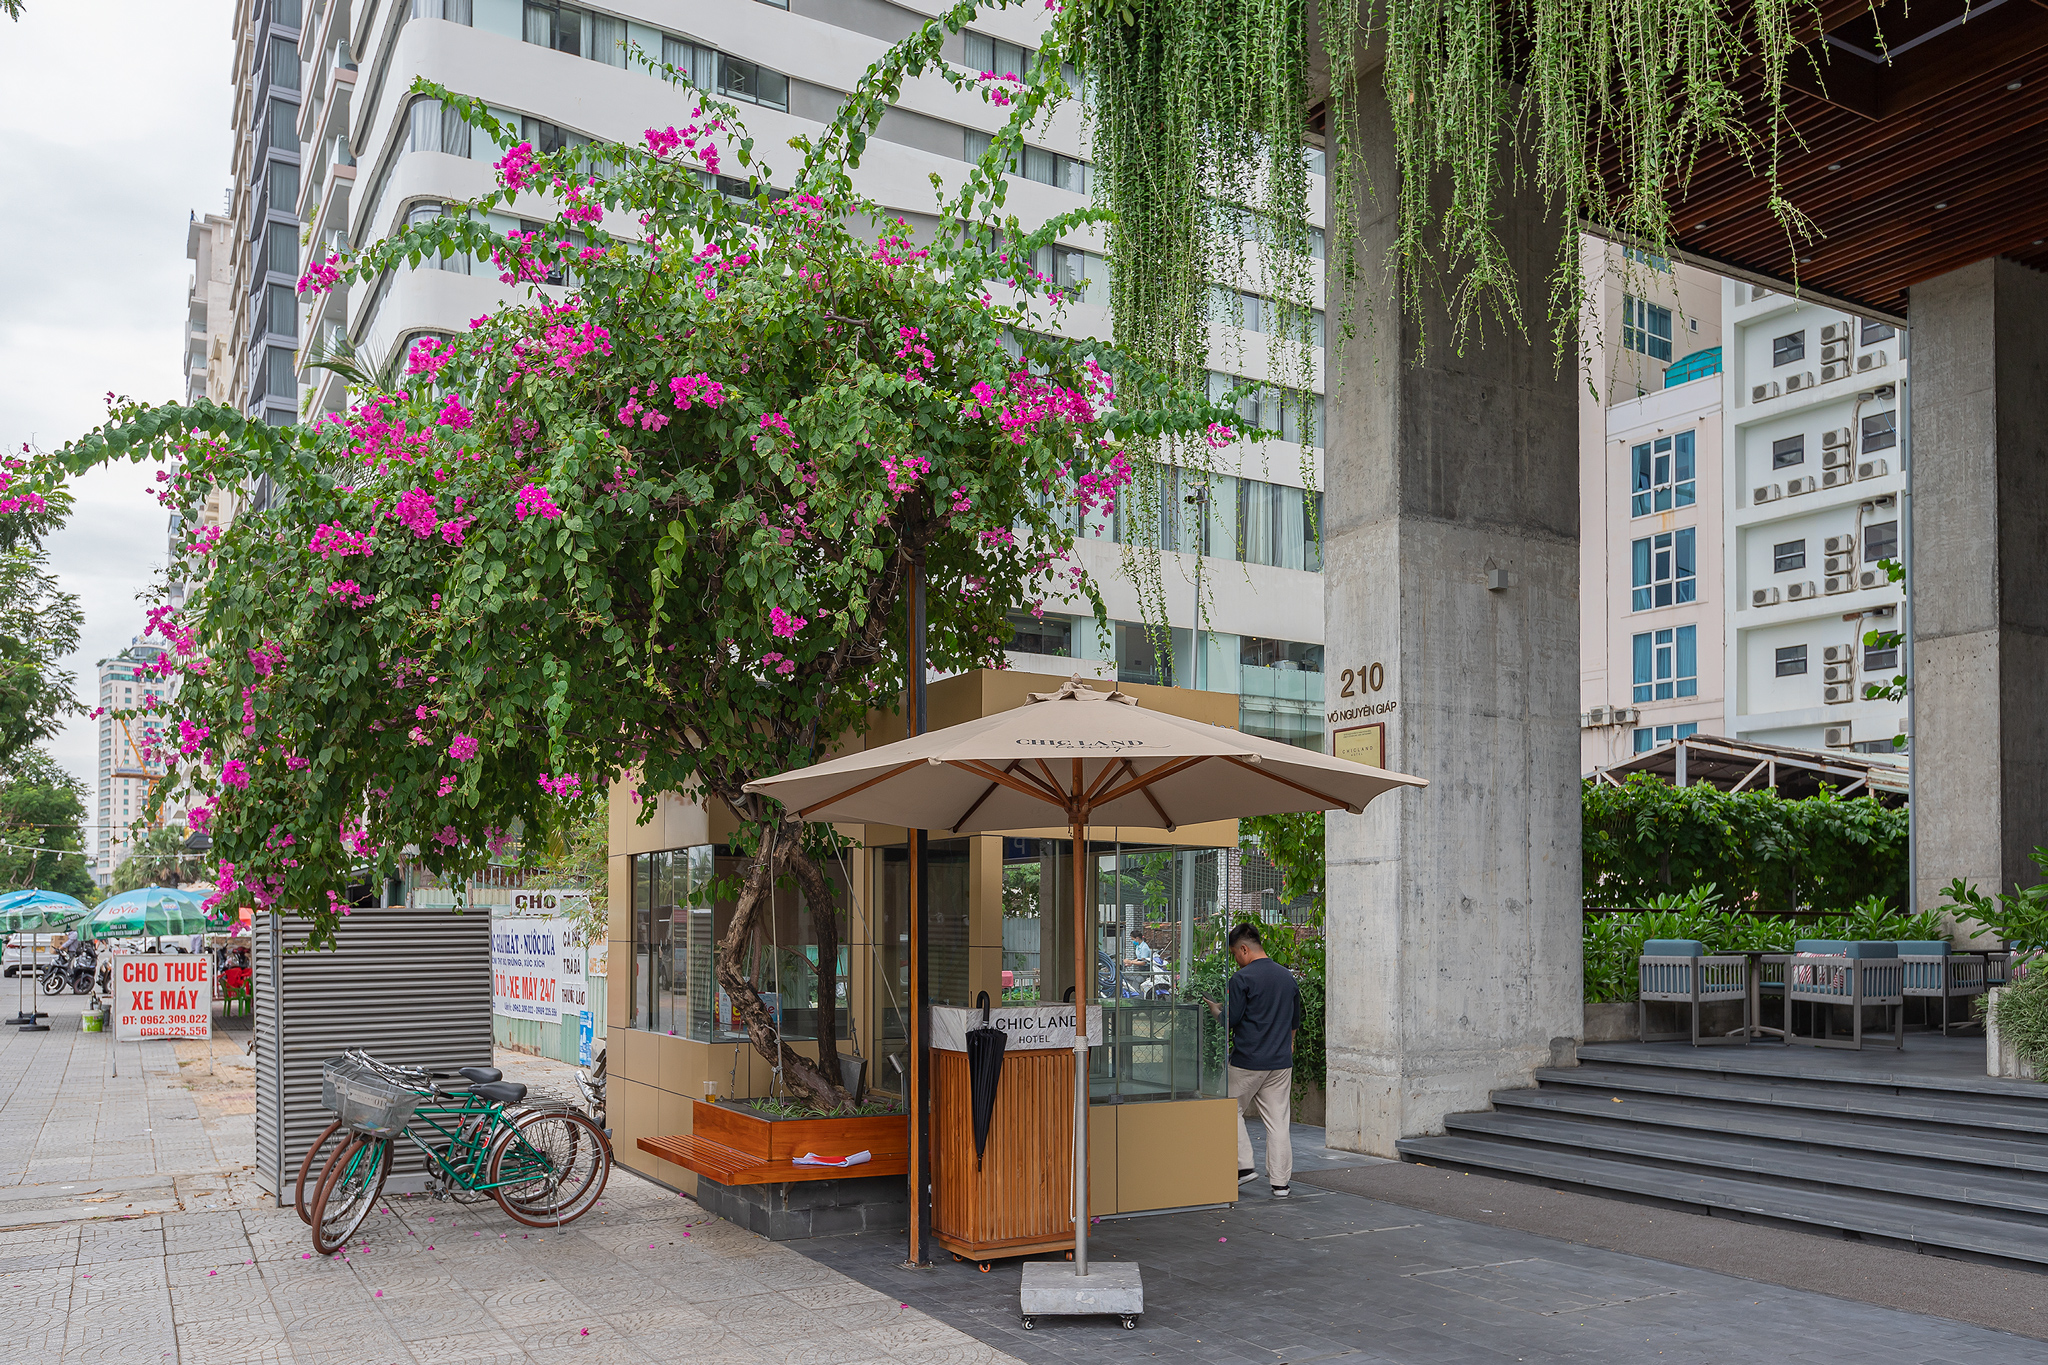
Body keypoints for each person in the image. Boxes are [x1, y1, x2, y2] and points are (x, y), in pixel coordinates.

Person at [1205, 921, 1302, 1198]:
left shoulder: (1242, 979)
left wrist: (1216, 1010)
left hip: (1248, 1060)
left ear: (1244, 949)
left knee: (1227, 1107)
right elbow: (1294, 1021)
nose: (1236, 959)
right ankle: (1281, 1184)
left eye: (1235, 953)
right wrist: (1288, 1044)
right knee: (1278, 1121)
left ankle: (1243, 1166)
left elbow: (1231, 1020)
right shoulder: (1287, 977)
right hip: (1280, 1062)